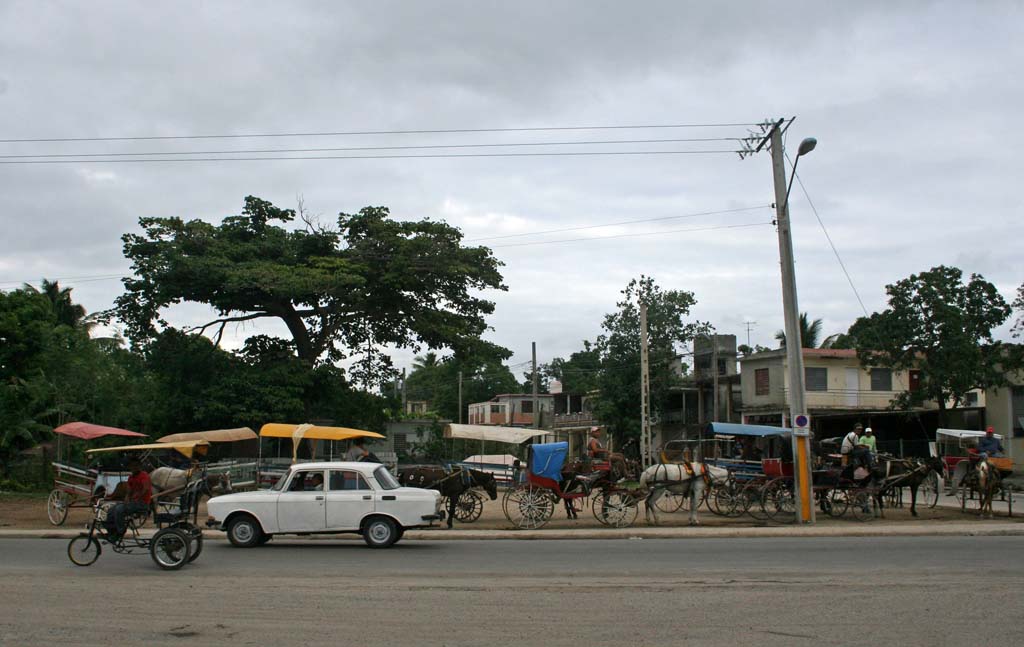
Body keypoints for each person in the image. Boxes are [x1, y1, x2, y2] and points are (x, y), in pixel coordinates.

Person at [106, 459, 152, 540]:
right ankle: (112, 531)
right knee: (110, 510)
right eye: (132, 466)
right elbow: (129, 490)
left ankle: (121, 531)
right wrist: (127, 497)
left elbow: (146, 489)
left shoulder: (144, 475)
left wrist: (137, 496)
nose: (133, 468)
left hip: (142, 503)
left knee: (119, 509)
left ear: (139, 467)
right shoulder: (131, 477)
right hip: (133, 503)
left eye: (135, 466)